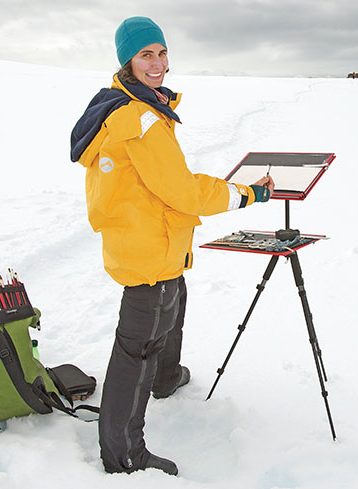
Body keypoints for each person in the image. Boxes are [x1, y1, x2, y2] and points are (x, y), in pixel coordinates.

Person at [70, 16, 275, 476]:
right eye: (146, 54)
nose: (158, 63)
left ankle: (165, 378)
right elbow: (181, 190)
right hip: (148, 247)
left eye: (162, 52)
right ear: (128, 59)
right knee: (137, 347)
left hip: (143, 237)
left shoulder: (126, 105)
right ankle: (123, 452)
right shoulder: (139, 119)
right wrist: (246, 192)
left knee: (173, 306)